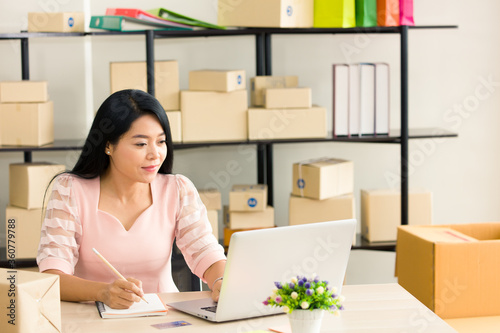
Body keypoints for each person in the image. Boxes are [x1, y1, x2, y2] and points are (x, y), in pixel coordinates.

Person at [37, 89, 226, 309]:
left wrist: (221, 281)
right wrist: (103, 292)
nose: (155, 154)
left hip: (165, 318)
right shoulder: (70, 190)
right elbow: (52, 276)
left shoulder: (177, 189)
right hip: (93, 321)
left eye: (161, 141)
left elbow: (206, 253)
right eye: (141, 144)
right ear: (108, 145)